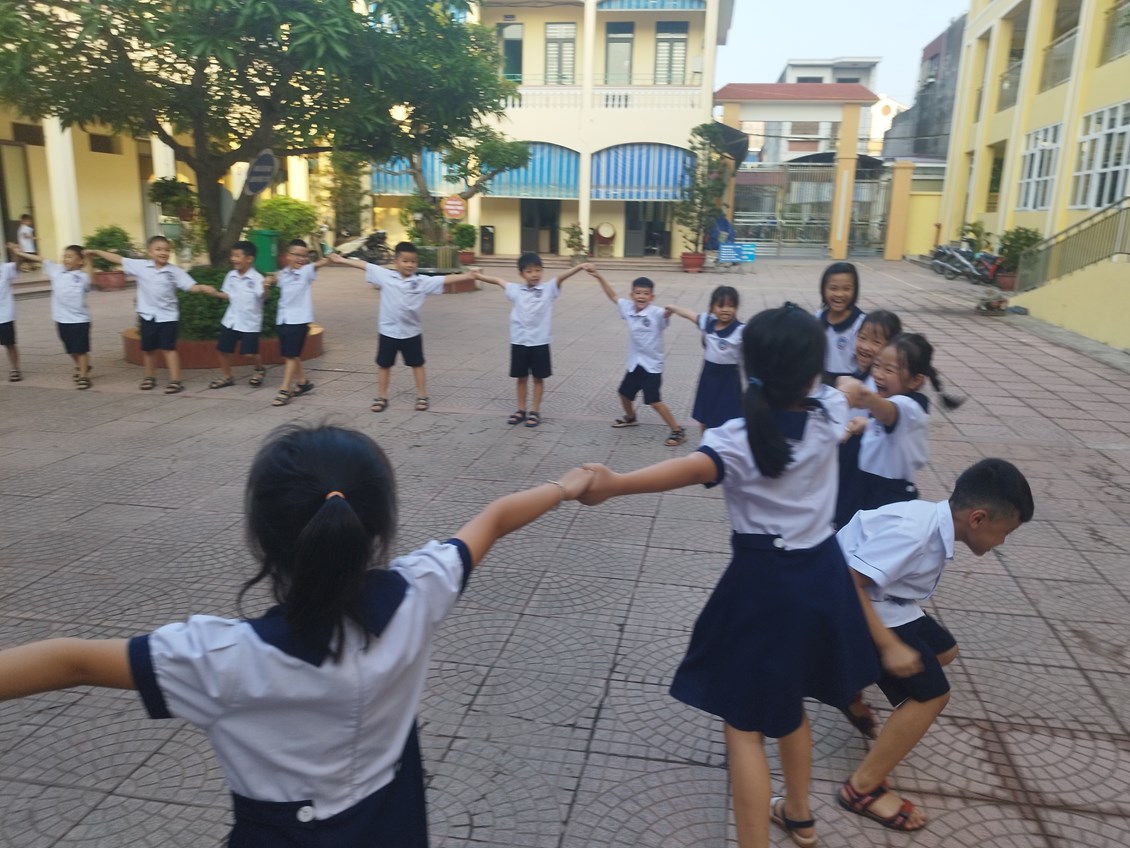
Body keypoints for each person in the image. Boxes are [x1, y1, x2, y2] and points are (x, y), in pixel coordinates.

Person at [0, 423, 594, 846]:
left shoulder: (221, 658)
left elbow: (72, 662)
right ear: (377, 526)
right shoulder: (421, 593)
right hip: (394, 826)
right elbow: (493, 519)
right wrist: (566, 487)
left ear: (263, 536)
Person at [578, 305, 880, 848]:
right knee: (789, 702)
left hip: (765, 590)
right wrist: (860, 389)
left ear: (749, 366)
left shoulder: (735, 437)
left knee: (744, 724)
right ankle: (799, 816)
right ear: (812, 372)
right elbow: (847, 393)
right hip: (822, 581)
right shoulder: (827, 413)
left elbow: (687, 470)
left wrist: (615, 482)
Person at [836, 458, 1034, 832]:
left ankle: (849, 679)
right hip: (844, 605)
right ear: (977, 519)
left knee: (945, 651)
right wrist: (888, 645)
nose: (1002, 543)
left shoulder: (932, 520)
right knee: (931, 696)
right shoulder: (914, 533)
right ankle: (862, 789)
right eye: (1005, 533)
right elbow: (847, 583)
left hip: (886, 602)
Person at [331, 241, 477, 413]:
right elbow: (364, 265)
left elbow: (443, 279)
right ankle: (381, 397)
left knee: (417, 364)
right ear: (396, 262)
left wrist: (467, 276)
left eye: (413, 261)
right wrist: (341, 260)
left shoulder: (421, 281)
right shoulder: (385, 276)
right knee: (384, 365)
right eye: (405, 261)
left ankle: (422, 396)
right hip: (388, 332)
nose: (410, 265)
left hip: (411, 332)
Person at [836, 332, 963, 519]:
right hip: (864, 485)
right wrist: (867, 424)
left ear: (915, 380)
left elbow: (888, 413)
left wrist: (861, 395)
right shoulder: (893, 402)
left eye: (889, 370)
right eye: (876, 365)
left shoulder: (909, 407)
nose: (878, 374)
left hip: (888, 495)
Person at [473, 253, 589, 428]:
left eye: (538, 270)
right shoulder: (515, 290)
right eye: (529, 271)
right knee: (521, 377)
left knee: (538, 378)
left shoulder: (548, 289)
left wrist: (579, 267)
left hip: (540, 342)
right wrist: (478, 276)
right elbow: (498, 280)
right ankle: (521, 410)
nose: (534, 274)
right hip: (519, 341)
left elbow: (561, 277)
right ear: (521, 274)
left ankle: (535, 411)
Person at [87, 235, 196, 394]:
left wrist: (204, 289)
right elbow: (118, 259)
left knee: (169, 349)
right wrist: (97, 252)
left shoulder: (174, 271)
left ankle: (175, 381)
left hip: (168, 317)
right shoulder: (141, 266)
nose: (163, 252)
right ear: (150, 252)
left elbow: (190, 285)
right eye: (158, 249)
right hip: (147, 316)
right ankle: (149, 377)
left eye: (166, 250)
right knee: (148, 350)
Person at [589, 269, 686, 446]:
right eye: (638, 293)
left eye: (646, 294)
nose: (641, 296)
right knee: (624, 393)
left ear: (652, 297)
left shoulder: (656, 313)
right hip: (635, 363)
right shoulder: (627, 307)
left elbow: (665, 315)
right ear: (632, 295)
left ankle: (677, 430)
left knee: (654, 401)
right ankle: (631, 417)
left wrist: (670, 311)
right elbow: (612, 296)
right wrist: (599, 277)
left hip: (651, 366)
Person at [833, 310, 904, 531]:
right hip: (847, 459)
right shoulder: (855, 375)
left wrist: (865, 425)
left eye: (876, 342)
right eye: (862, 338)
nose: (865, 346)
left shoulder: (886, 387)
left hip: (868, 468)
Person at [8, 241, 92, 388]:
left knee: (81, 349)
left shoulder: (82, 276)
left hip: (80, 320)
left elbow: (93, 280)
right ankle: (82, 366)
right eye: (64, 256)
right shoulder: (56, 270)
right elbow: (40, 259)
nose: (65, 259)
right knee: (71, 349)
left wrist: (90, 259)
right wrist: (19, 253)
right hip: (61, 320)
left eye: (70, 256)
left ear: (80, 261)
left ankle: (83, 376)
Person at [191, 240, 268, 389]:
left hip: (249, 322)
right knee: (223, 349)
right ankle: (227, 377)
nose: (233, 259)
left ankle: (259, 369)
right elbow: (228, 295)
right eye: (232, 256)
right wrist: (215, 293)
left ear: (249, 259)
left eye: (237, 256)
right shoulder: (231, 275)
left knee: (249, 353)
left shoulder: (257, 278)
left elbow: (263, 297)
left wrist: (266, 288)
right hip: (231, 319)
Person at [666, 285, 744, 431]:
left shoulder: (741, 330)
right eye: (720, 306)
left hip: (729, 380)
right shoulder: (708, 322)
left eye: (731, 306)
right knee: (705, 416)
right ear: (712, 307)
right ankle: (705, 441)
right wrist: (673, 308)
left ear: (736, 308)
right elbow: (690, 314)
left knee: (729, 417)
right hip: (708, 377)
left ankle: (726, 442)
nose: (725, 309)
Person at [269, 239, 331, 406]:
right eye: (297, 255)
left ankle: (284, 389)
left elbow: (318, 264)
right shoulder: (283, 274)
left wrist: (330, 259)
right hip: (283, 318)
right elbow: (275, 279)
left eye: (304, 256)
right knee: (291, 353)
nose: (301, 259)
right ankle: (303, 382)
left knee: (290, 355)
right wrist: (268, 281)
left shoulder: (306, 272)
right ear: (288, 256)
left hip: (299, 320)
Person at [816, 262, 865, 383]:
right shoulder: (818, 317)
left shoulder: (860, 323)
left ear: (855, 291)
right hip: (821, 378)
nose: (839, 294)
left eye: (846, 289)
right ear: (823, 289)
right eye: (833, 288)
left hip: (849, 382)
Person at [0, 253, 20, 381]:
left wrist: (15, 252)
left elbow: (17, 265)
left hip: (4, 315)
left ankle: (15, 369)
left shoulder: (6, 268)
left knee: (9, 343)